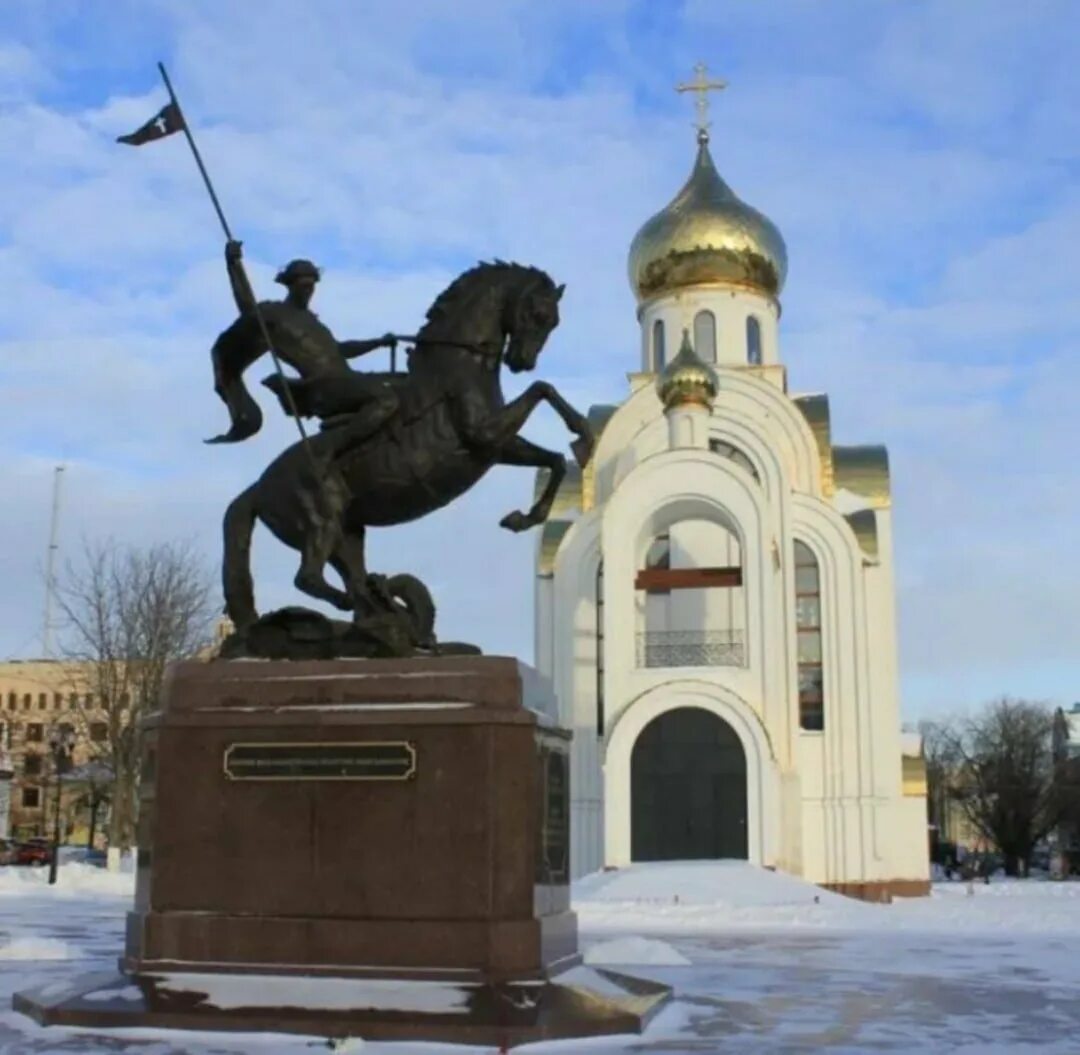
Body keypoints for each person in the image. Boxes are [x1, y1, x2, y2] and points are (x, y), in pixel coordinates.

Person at [210, 240, 400, 464]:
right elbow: (247, 308)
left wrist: (378, 342)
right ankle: (338, 448)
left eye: (311, 286)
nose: (308, 291)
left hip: (345, 378)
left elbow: (339, 350)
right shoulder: (274, 314)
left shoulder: (312, 321)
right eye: (303, 286)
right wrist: (234, 264)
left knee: (405, 382)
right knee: (385, 398)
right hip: (324, 386)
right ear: (290, 285)